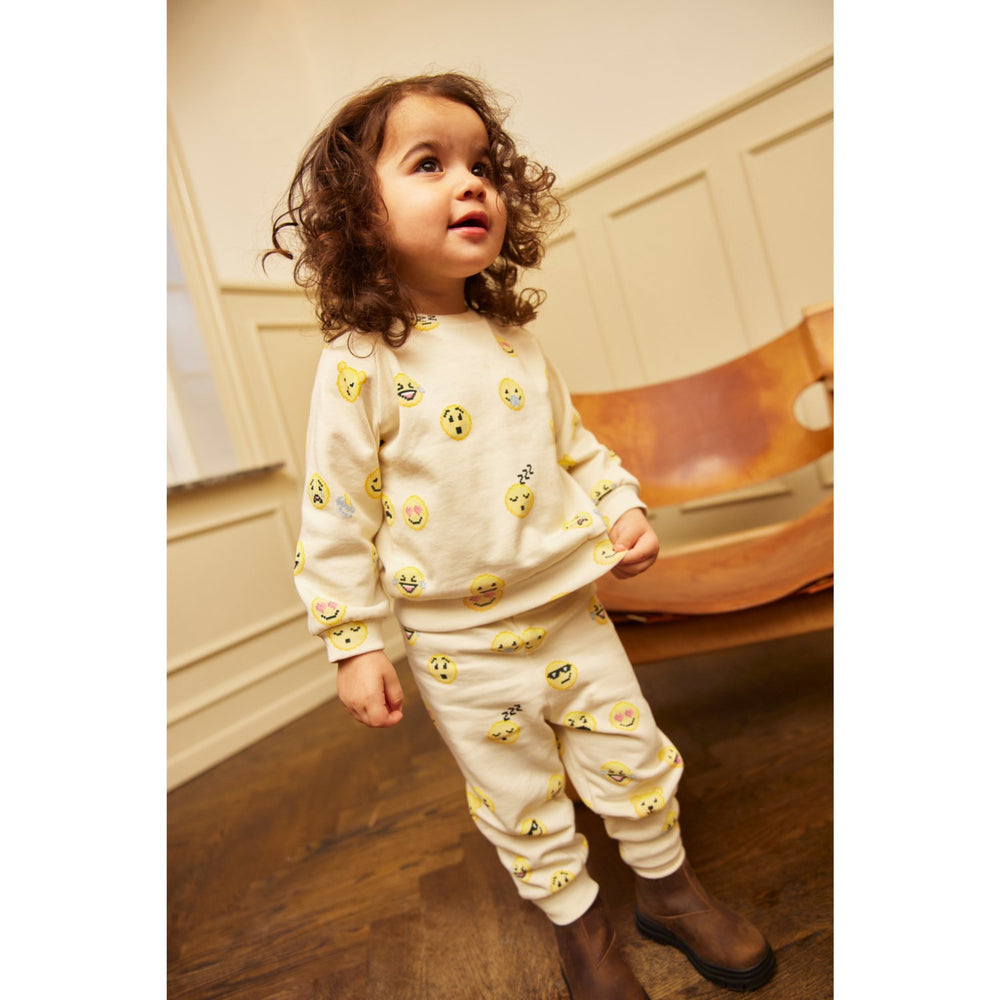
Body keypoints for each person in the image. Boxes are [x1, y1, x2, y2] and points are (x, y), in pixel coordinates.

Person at [266, 72, 775, 999]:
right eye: (430, 164)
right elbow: (335, 516)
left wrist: (621, 507)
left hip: (572, 611)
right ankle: (583, 933)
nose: (472, 183)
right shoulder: (356, 367)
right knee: (521, 798)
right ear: (359, 214)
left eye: (483, 166)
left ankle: (670, 893)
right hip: (459, 647)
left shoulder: (513, 341)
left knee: (632, 756)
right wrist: (353, 643)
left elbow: (576, 449)